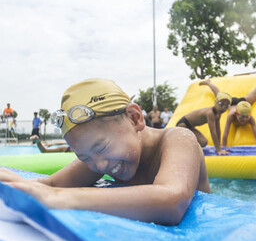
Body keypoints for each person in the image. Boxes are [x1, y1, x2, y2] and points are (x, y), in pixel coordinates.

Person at [0, 78, 210, 225]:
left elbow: (171, 201)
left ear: (134, 118)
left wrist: (60, 198)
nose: (98, 165)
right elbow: (51, 185)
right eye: (84, 157)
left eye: (101, 147)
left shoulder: (178, 140)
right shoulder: (105, 157)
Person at [200, 68, 256, 146]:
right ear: (237, 114)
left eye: (246, 117)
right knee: (219, 95)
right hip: (232, 103)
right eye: (242, 118)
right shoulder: (231, 115)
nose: (244, 120)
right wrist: (223, 148)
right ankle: (208, 83)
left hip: (243, 102)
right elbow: (225, 134)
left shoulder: (250, 118)